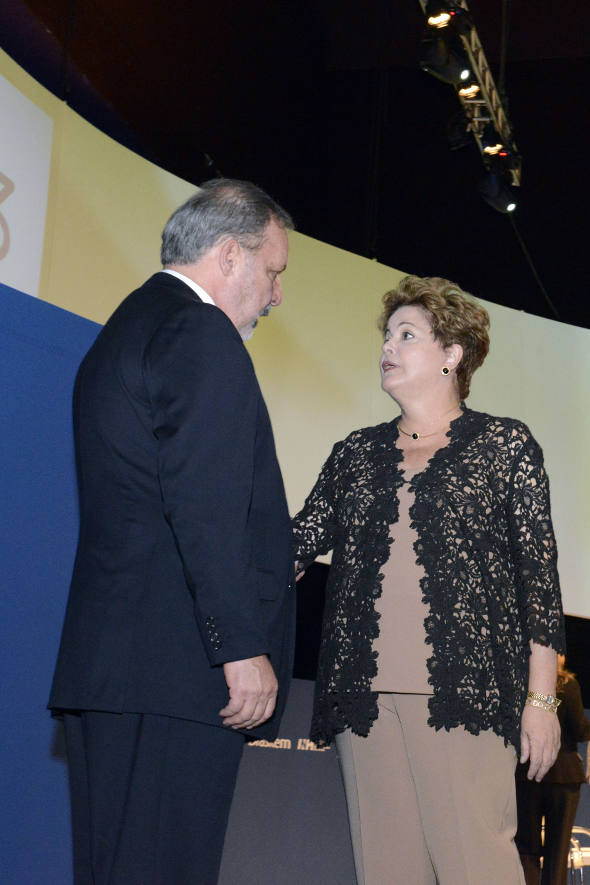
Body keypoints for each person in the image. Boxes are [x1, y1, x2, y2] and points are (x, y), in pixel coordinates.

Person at [48, 179, 296, 885]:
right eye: (273, 271)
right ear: (228, 255)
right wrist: (239, 643)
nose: (277, 295)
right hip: (174, 674)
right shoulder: (200, 331)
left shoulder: (128, 324)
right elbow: (203, 501)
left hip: (117, 672)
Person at [292, 275, 565, 885]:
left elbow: (538, 584)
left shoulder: (504, 445)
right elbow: (293, 546)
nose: (388, 346)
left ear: (451, 354)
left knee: (477, 869)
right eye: (386, 335)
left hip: (464, 693)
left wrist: (541, 700)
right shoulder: (355, 453)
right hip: (362, 696)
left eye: (406, 335)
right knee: (387, 872)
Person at [516, 654, 590, 885]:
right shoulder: (567, 685)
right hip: (564, 777)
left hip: (529, 773)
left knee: (527, 851)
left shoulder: (521, 684)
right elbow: (579, 729)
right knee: (556, 855)